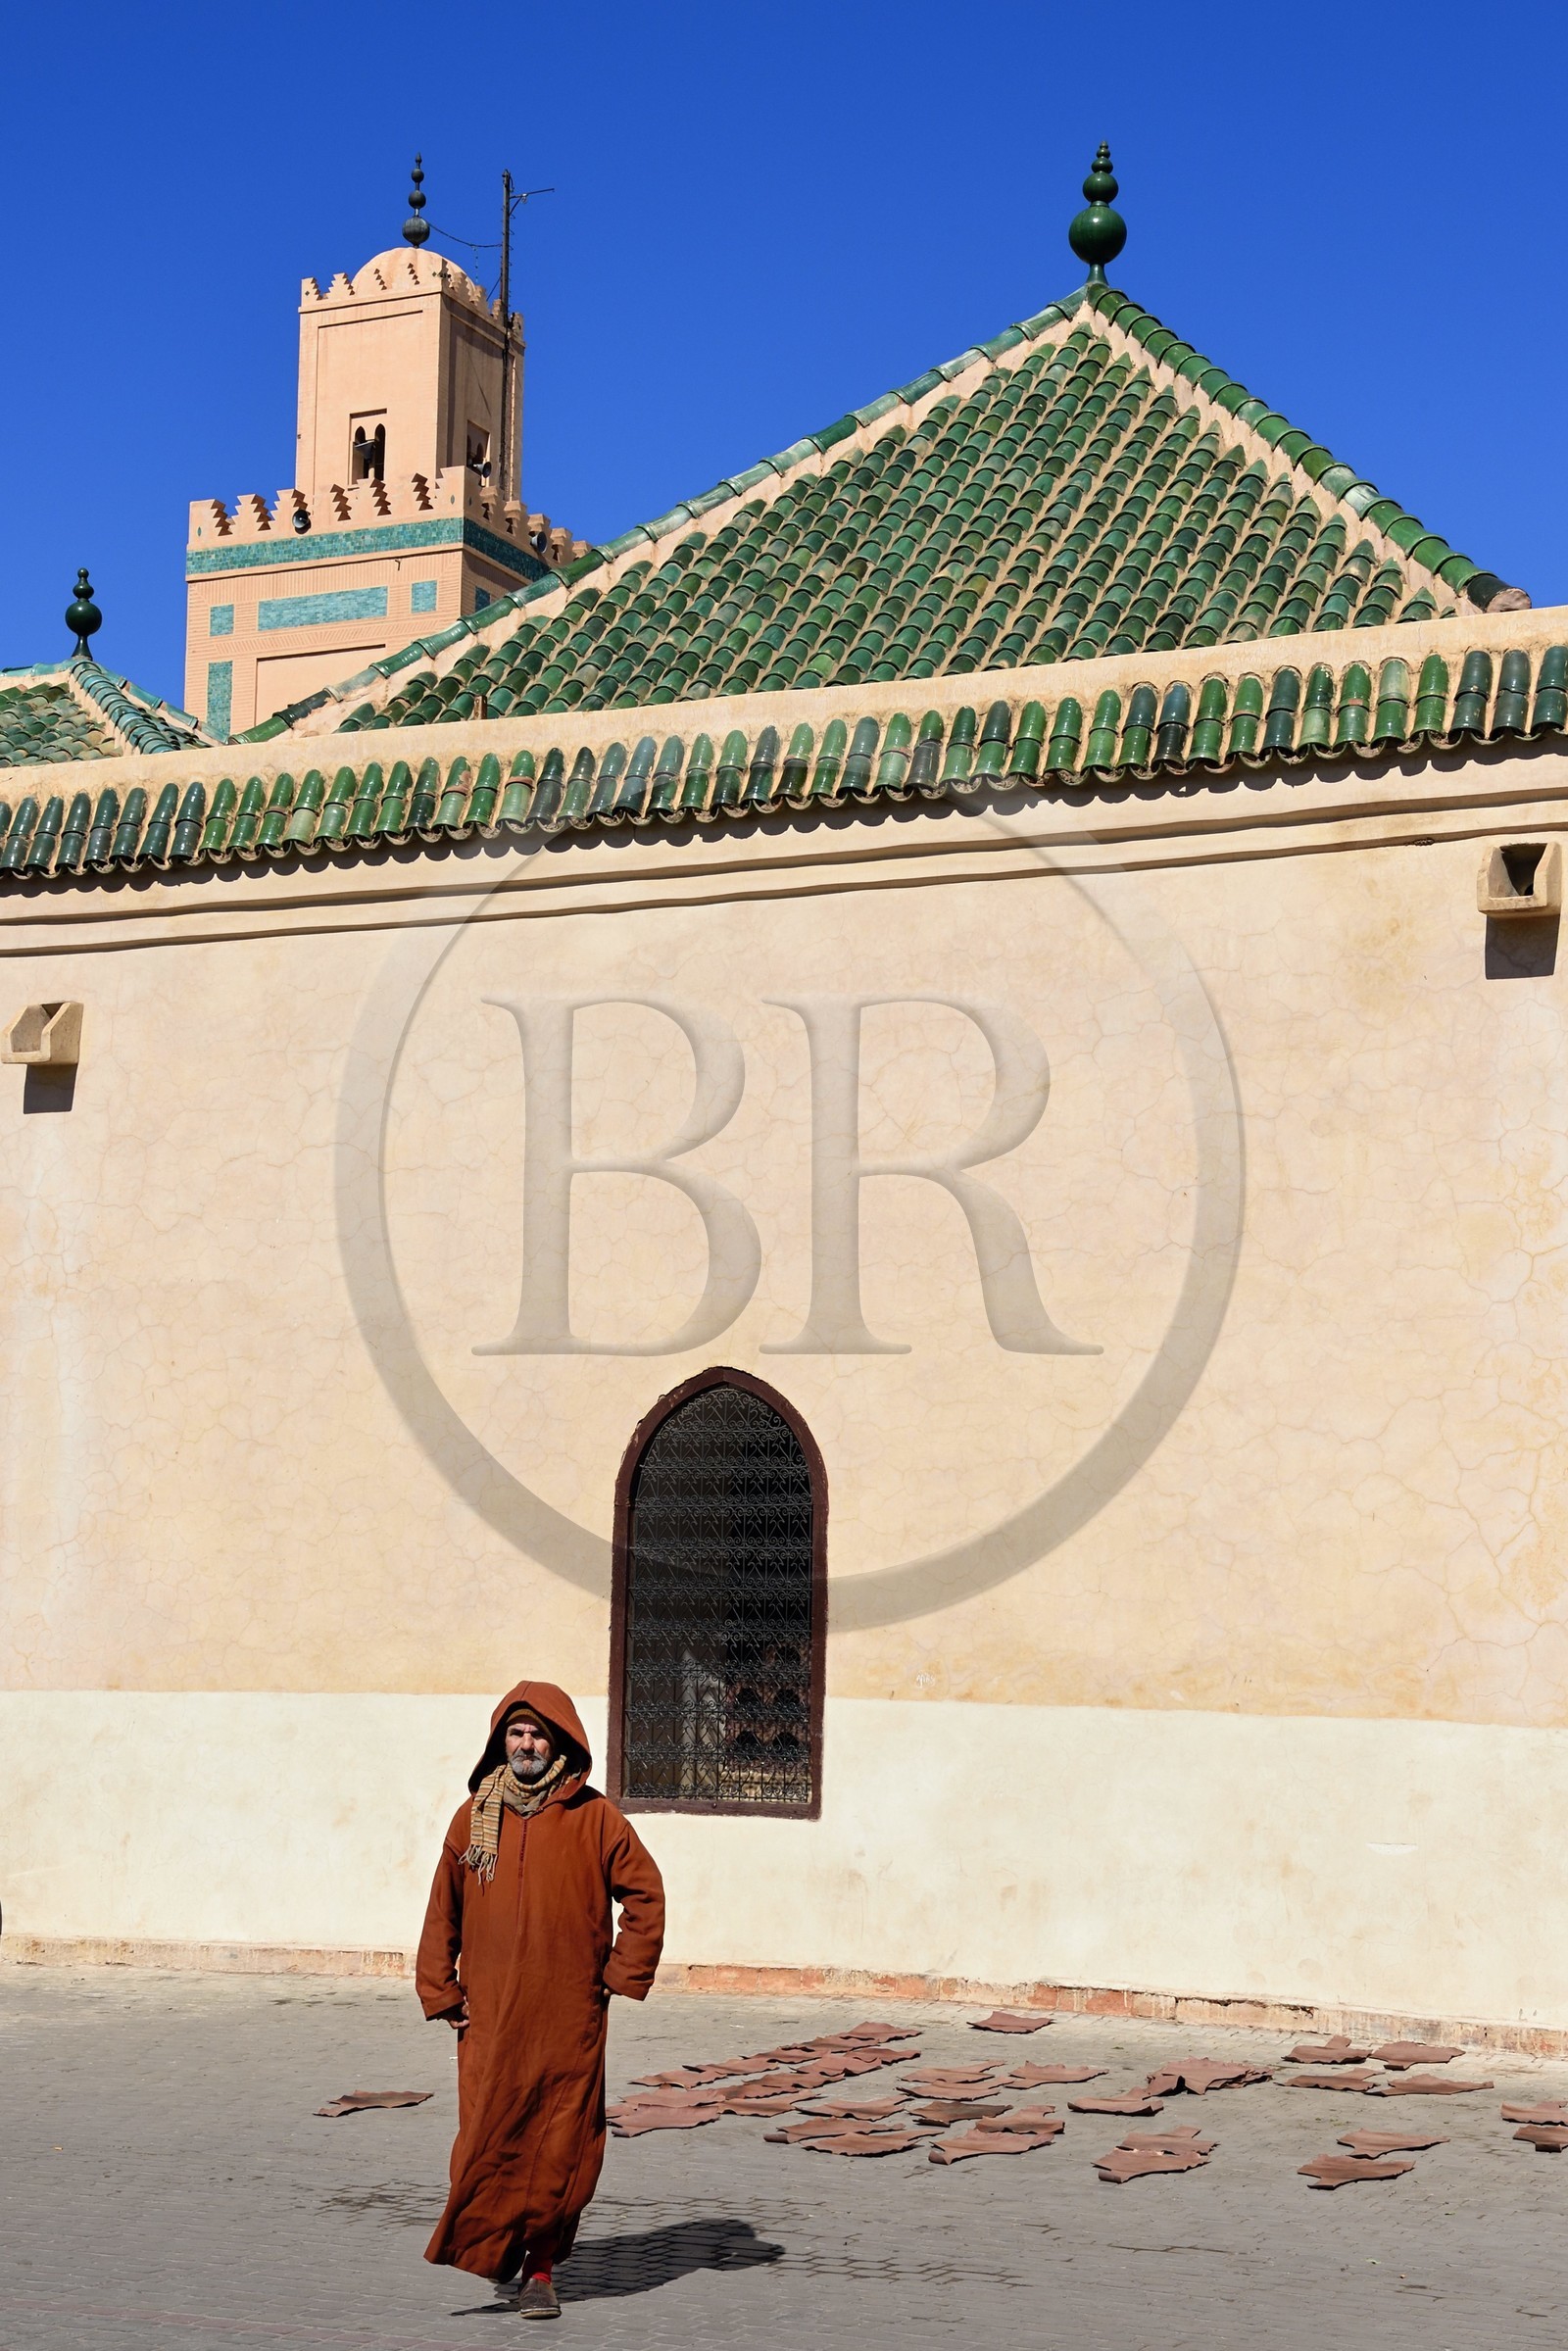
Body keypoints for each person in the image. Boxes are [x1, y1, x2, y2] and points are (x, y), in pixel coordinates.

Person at [416, 1680, 665, 2320]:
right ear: (501, 1741)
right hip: (491, 2016)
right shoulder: (473, 1817)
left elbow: (644, 1893)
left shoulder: (595, 1816)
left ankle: (542, 2270)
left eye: (537, 1733)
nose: (526, 1743)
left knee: (558, 2147)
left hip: (566, 2018)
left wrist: (619, 1971)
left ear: (559, 1741)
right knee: (485, 2139)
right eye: (515, 1732)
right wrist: (439, 1986)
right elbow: (442, 1909)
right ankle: (495, 2242)